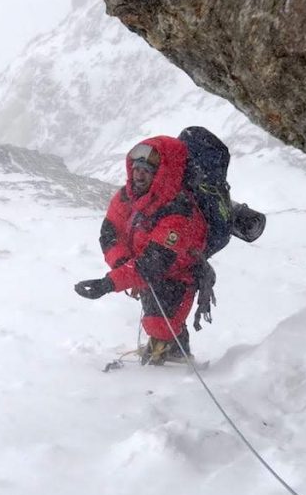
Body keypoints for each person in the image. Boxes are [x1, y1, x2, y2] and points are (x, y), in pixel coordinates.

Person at [74, 136, 207, 364]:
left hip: (178, 274)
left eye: (147, 170)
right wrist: (124, 266)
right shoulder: (127, 196)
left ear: (162, 173)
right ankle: (170, 349)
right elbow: (110, 234)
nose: (139, 175)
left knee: (160, 325)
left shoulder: (178, 210)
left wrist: (109, 283)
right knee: (157, 320)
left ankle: (173, 354)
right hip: (144, 269)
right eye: (136, 169)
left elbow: (155, 263)